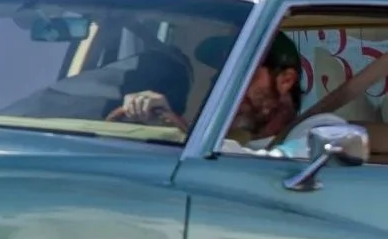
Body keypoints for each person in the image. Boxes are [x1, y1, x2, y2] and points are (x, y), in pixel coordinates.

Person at [109, 33, 348, 154]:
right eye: (222, 74)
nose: (227, 84)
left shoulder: (318, 131)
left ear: (285, 81)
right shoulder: (213, 136)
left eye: (244, 73)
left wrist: (183, 134)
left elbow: (267, 172)